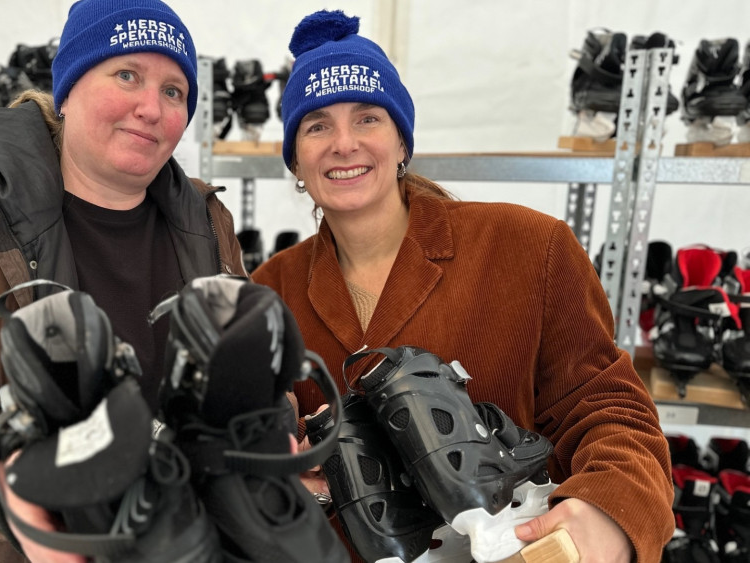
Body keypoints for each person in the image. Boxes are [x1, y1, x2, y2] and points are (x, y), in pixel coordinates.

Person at [252, 9, 674, 563]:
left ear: (402, 142)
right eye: (317, 125)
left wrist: (611, 512)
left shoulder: (528, 245)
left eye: (368, 118)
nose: (344, 143)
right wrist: (288, 474)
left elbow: (609, 410)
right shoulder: (268, 290)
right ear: (296, 162)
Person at [0, 1, 246, 561]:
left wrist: (268, 438)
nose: (151, 107)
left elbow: (241, 388)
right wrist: (9, 490)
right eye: (127, 75)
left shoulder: (206, 221)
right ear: (67, 89)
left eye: (174, 91)